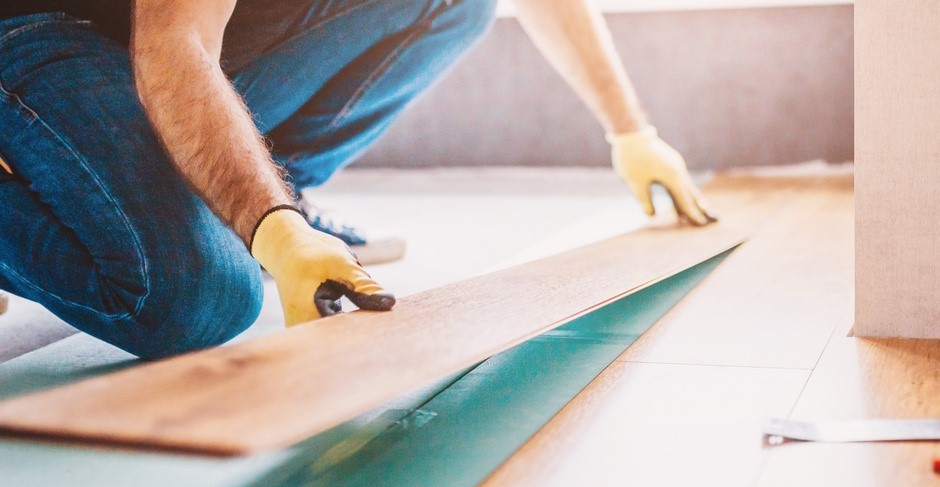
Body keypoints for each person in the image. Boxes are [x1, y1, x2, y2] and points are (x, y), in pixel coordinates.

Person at [0, 0, 714, 359]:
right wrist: (271, 232)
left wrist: (632, 132)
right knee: (196, 297)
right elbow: (174, 42)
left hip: (191, 42)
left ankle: (272, 194)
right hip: (49, 30)